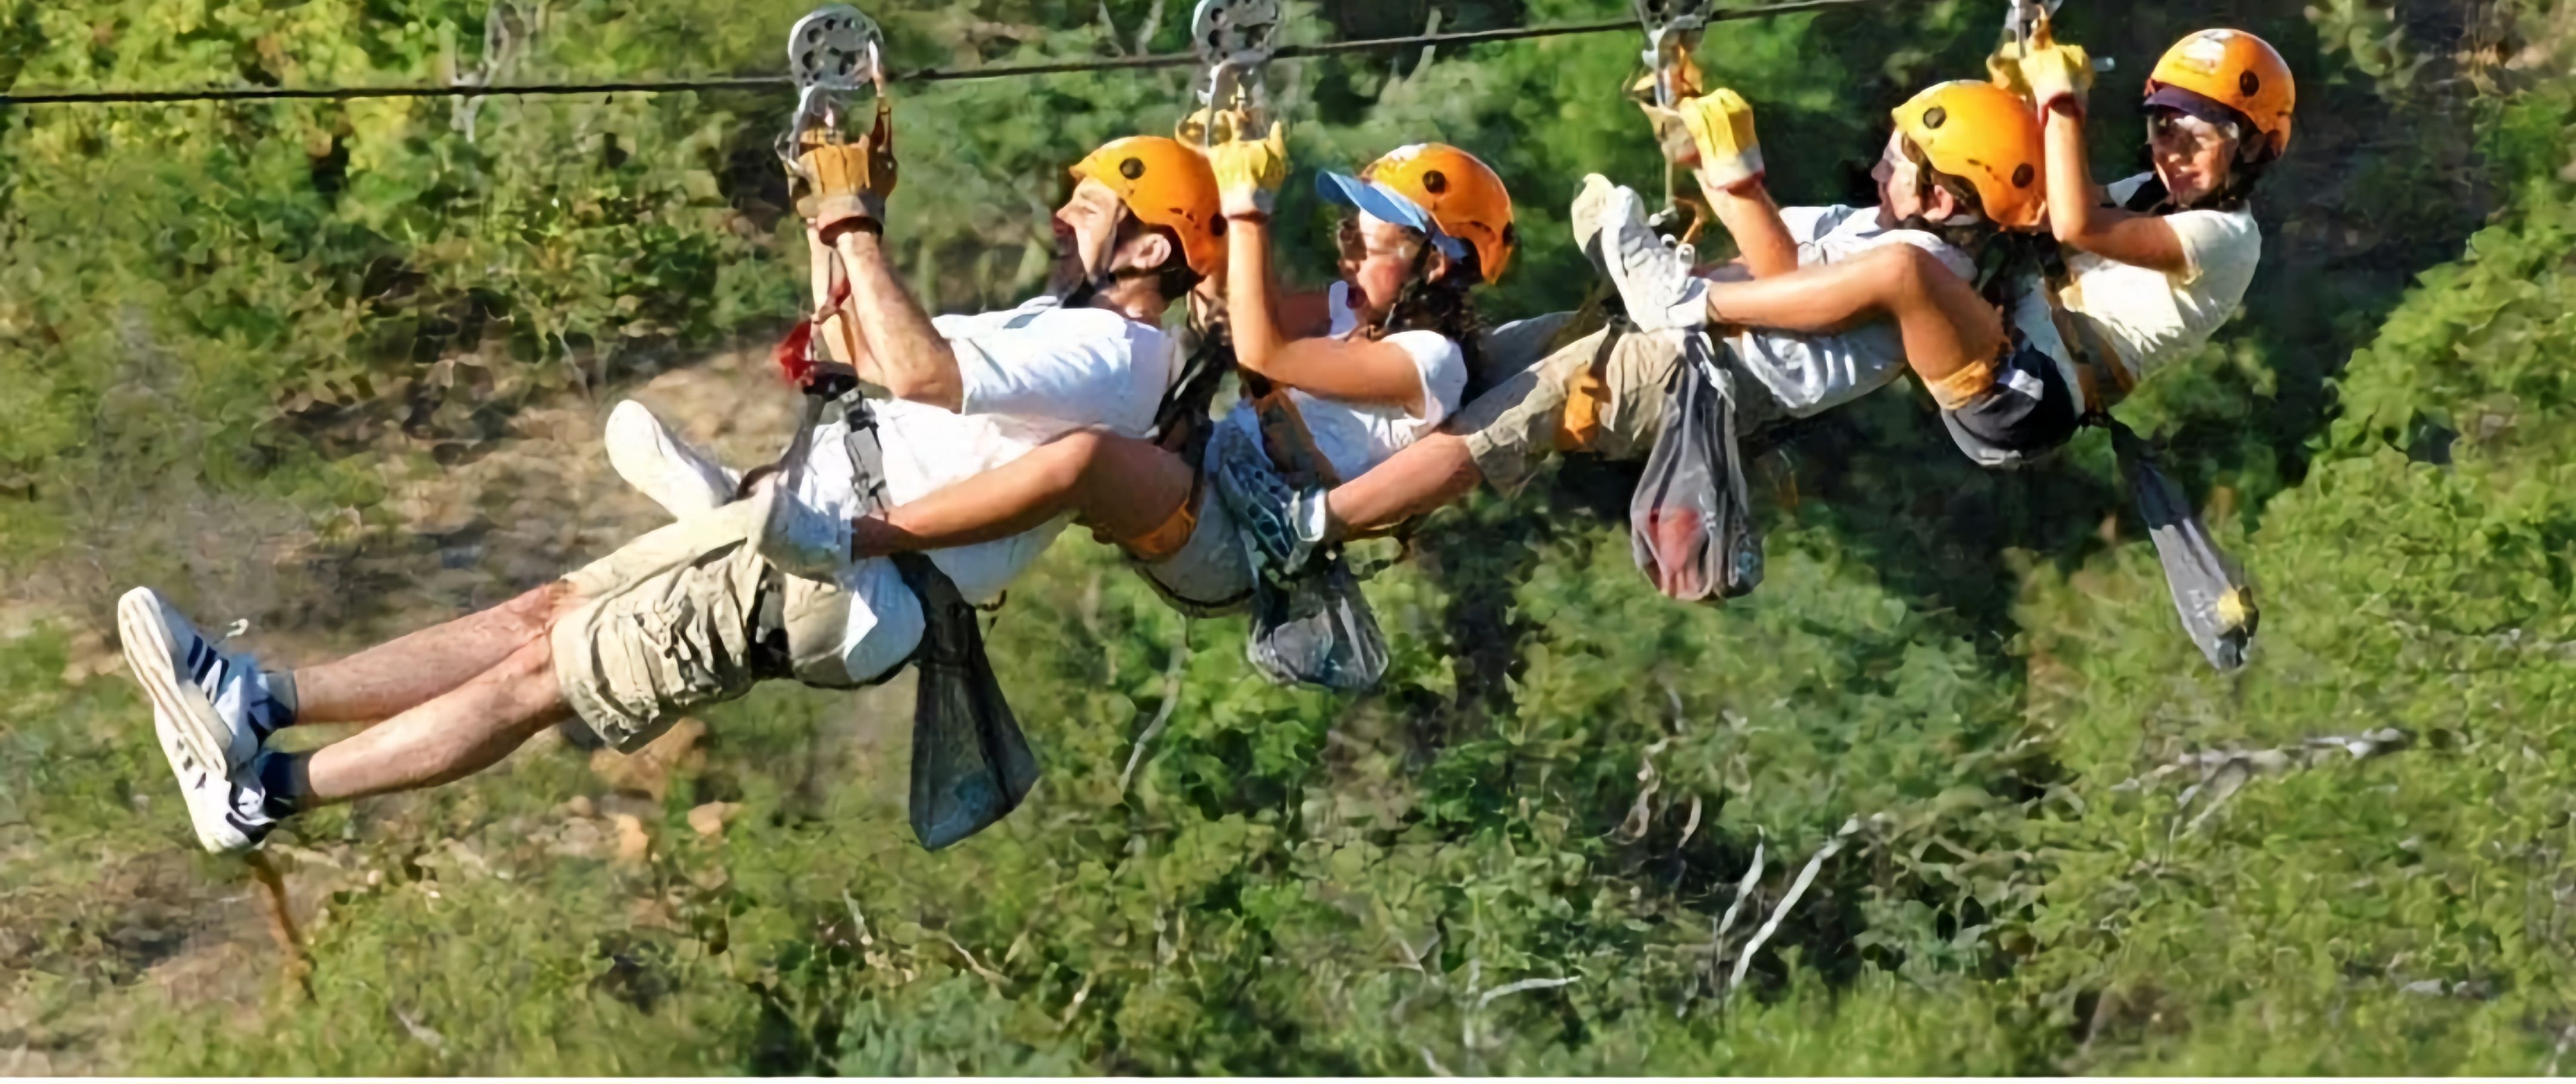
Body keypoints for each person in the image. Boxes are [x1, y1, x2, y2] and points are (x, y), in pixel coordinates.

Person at [116, 124, 1223, 854]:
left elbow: (924, 369)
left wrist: (858, 223)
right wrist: (826, 223)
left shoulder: (1116, 356)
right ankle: (258, 699)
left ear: (1153, 247)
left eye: (1088, 205)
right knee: (538, 618)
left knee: (539, 678)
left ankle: (260, 796)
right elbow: (858, 348)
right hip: (799, 535)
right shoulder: (1054, 328)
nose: (1062, 217)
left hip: (832, 574)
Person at [740, 128, 1517, 688]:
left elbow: (1266, 351)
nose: (1347, 248)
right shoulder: (1352, 309)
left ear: (1438, 259)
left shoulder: (1431, 361)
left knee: (1087, 455)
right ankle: (820, 522)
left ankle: (853, 538)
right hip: (1212, 475)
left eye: (1367, 237)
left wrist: (1246, 212)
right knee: (1054, 420)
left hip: (1234, 543)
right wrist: (1215, 176)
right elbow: (1235, 310)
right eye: (1347, 229)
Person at [1211, 75, 2041, 599]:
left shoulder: (1918, 266)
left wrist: (1733, 190)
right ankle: (1659, 289)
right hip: (1701, 337)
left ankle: (1319, 521)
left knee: (1531, 401)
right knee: (1513, 350)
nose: (1880, 164)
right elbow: (1774, 266)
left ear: (1940, 197)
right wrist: (1703, 140)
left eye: (1899, 158)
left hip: (1709, 365)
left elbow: (1788, 294)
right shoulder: (1877, 229)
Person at [1599, 78, 2077, 471]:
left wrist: (1737, 169)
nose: (1874, 173)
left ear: (1938, 201)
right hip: (1717, 350)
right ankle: (1670, 295)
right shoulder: (1868, 224)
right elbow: (1767, 246)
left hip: (1733, 378)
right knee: (1536, 353)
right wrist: (1696, 142)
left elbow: (1780, 276)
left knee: (1543, 399)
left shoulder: (1929, 262)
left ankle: (1679, 298)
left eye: (1891, 167)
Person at [2003, 21, 2294, 412]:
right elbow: (2059, 197)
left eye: (2196, 135)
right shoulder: (2153, 191)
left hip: (2045, 387)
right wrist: (2023, 99)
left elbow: (2076, 223)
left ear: (2253, 145)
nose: (2175, 153)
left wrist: (2062, 104)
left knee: (1908, 269)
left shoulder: (2227, 237)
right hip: (2028, 338)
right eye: (2163, 129)